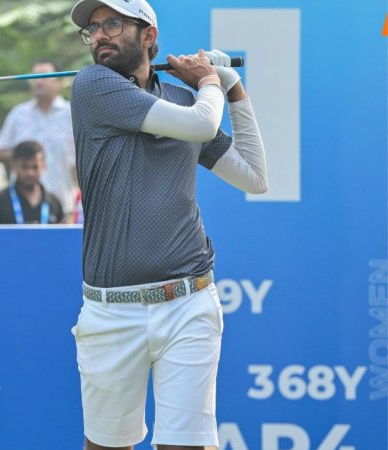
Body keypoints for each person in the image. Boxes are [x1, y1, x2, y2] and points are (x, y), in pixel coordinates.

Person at [68, 1, 268, 449]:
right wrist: (212, 83)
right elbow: (201, 124)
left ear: (148, 36)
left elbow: (254, 177)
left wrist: (234, 91)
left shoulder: (182, 99)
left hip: (188, 303)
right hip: (111, 310)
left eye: (113, 23)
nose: (100, 35)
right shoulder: (93, 85)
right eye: (92, 29)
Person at [0, 59, 78, 218]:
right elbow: (0, 151)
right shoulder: (18, 114)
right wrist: (23, 156)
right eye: (34, 77)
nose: (38, 81)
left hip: (62, 204)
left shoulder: (72, 114)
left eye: (44, 76)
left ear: (58, 82)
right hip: (20, 206)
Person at [0, 140, 65, 224]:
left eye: (35, 167)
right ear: (13, 165)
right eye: (24, 167)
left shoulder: (54, 202)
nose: (30, 173)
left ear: (43, 166)